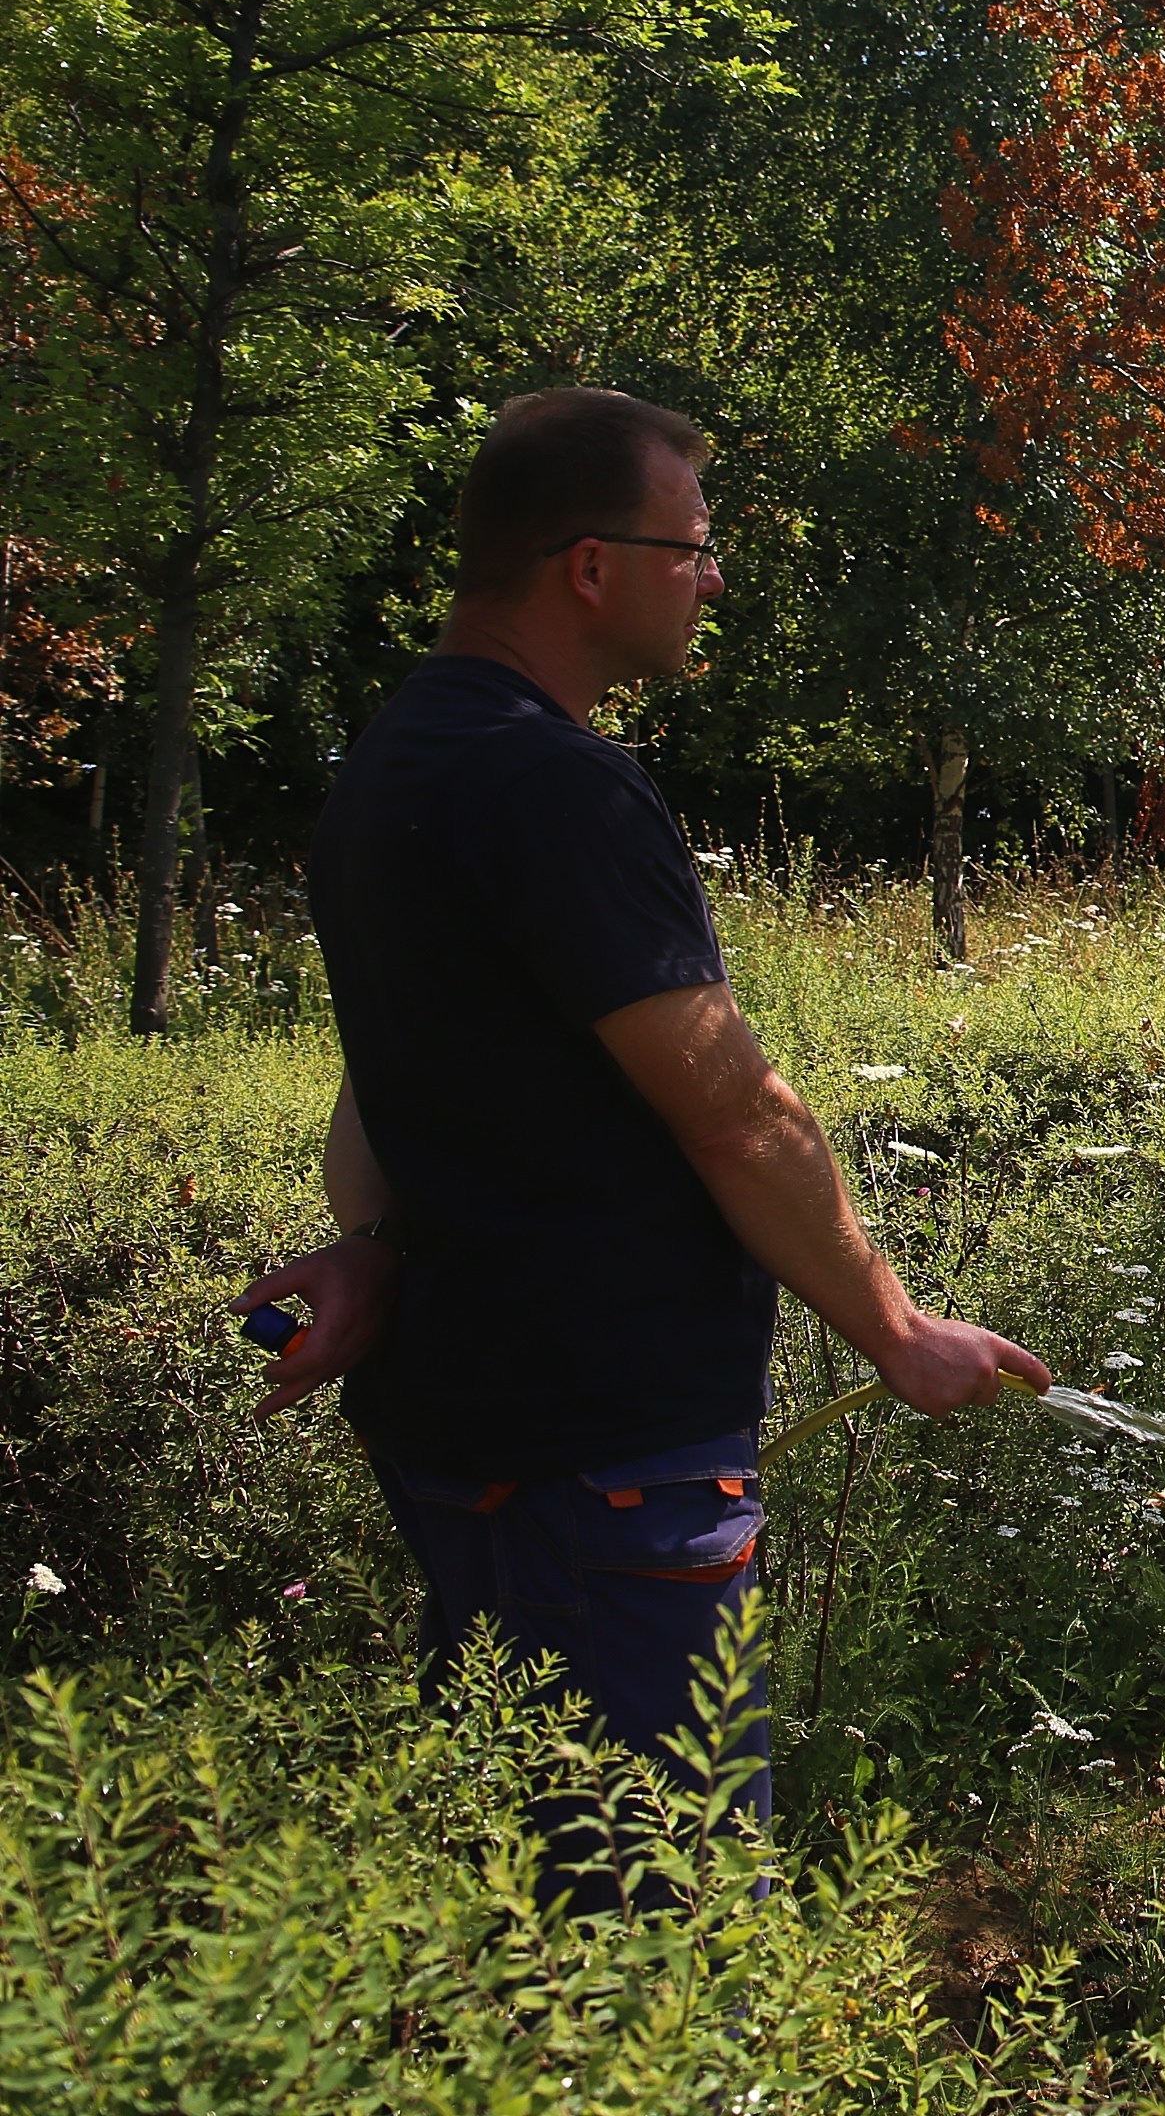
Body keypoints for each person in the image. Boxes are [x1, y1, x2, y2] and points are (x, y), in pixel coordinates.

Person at [232, 385, 1046, 1842]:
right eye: (693, 547)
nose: (715, 577)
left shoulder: (397, 759)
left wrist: (375, 1245)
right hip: (603, 1458)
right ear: (589, 568)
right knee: (657, 1913)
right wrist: (900, 1333)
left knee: (529, 1869)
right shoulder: (561, 787)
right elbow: (734, 1113)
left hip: (470, 1427)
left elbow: (393, 1073)